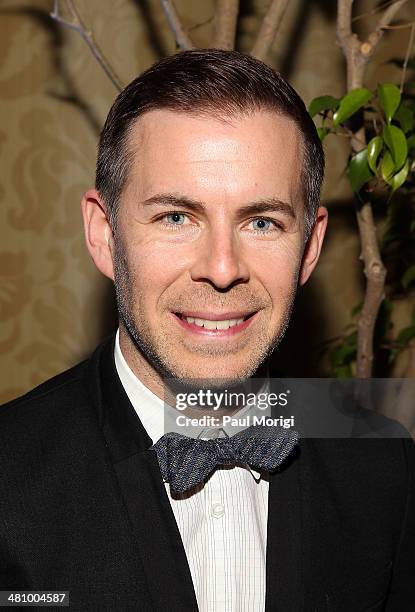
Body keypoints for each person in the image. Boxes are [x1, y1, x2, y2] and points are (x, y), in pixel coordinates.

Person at [0, 49, 414, 612]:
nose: (222, 268)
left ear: (311, 247)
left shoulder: (386, 468)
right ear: (104, 234)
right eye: (176, 217)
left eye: (261, 221)